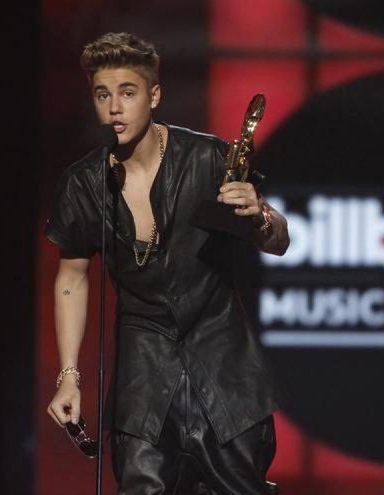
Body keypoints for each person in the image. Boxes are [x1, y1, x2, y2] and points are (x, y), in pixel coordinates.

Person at [44, 32, 289, 494]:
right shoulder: (83, 185)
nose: (114, 108)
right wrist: (69, 376)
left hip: (224, 368)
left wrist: (261, 216)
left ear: (153, 95)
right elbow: (72, 279)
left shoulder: (209, 157)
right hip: (144, 374)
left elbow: (278, 241)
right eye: (102, 95)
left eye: (127, 93)